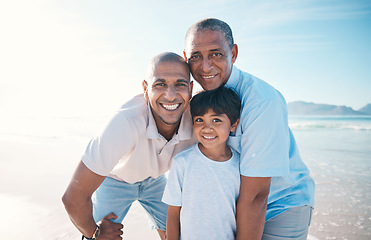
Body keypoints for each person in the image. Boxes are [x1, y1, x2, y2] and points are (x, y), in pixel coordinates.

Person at [183, 18, 315, 240]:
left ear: (233, 53)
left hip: (280, 203)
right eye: (196, 56)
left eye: (216, 54)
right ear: (186, 58)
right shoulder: (194, 100)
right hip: (234, 206)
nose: (205, 66)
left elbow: (256, 196)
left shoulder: (262, 101)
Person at [62, 52, 197, 240]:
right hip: (115, 180)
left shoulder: (200, 119)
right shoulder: (124, 123)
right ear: (145, 88)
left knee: (181, 234)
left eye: (180, 84)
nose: (171, 95)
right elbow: (73, 198)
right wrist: (94, 233)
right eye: (160, 84)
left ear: (190, 88)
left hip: (155, 180)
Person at [163, 86, 242, 240]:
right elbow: (173, 214)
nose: (207, 128)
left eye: (216, 120)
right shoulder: (182, 162)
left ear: (233, 124)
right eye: (199, 120)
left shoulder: (241, 166)